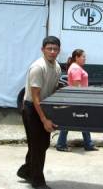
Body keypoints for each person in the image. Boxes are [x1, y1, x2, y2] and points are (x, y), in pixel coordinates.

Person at [17, 36, 62, 189]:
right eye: (49, 48)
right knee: (38, 145)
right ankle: (37, 181)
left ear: (59, 51)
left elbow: (53, 89)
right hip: (31, 108)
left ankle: (26, 171)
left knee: (41, 144)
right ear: (42, 50)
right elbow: (35, 97)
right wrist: (44, 120)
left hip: (44, 106)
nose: (52, 51)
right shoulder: (38, 67)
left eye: (55, 49)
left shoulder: (56, 66)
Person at [56, 49, 99, 152]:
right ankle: (61, 144)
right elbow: (77, 87)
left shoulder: (76, 67)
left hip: (78, 98)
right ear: (77, 57)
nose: (85, 58)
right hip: (77, 98)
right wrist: (81, 99)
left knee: (84, 121)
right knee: (69, 121)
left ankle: (88, 144)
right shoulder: (75, 68)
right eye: (83, 56)